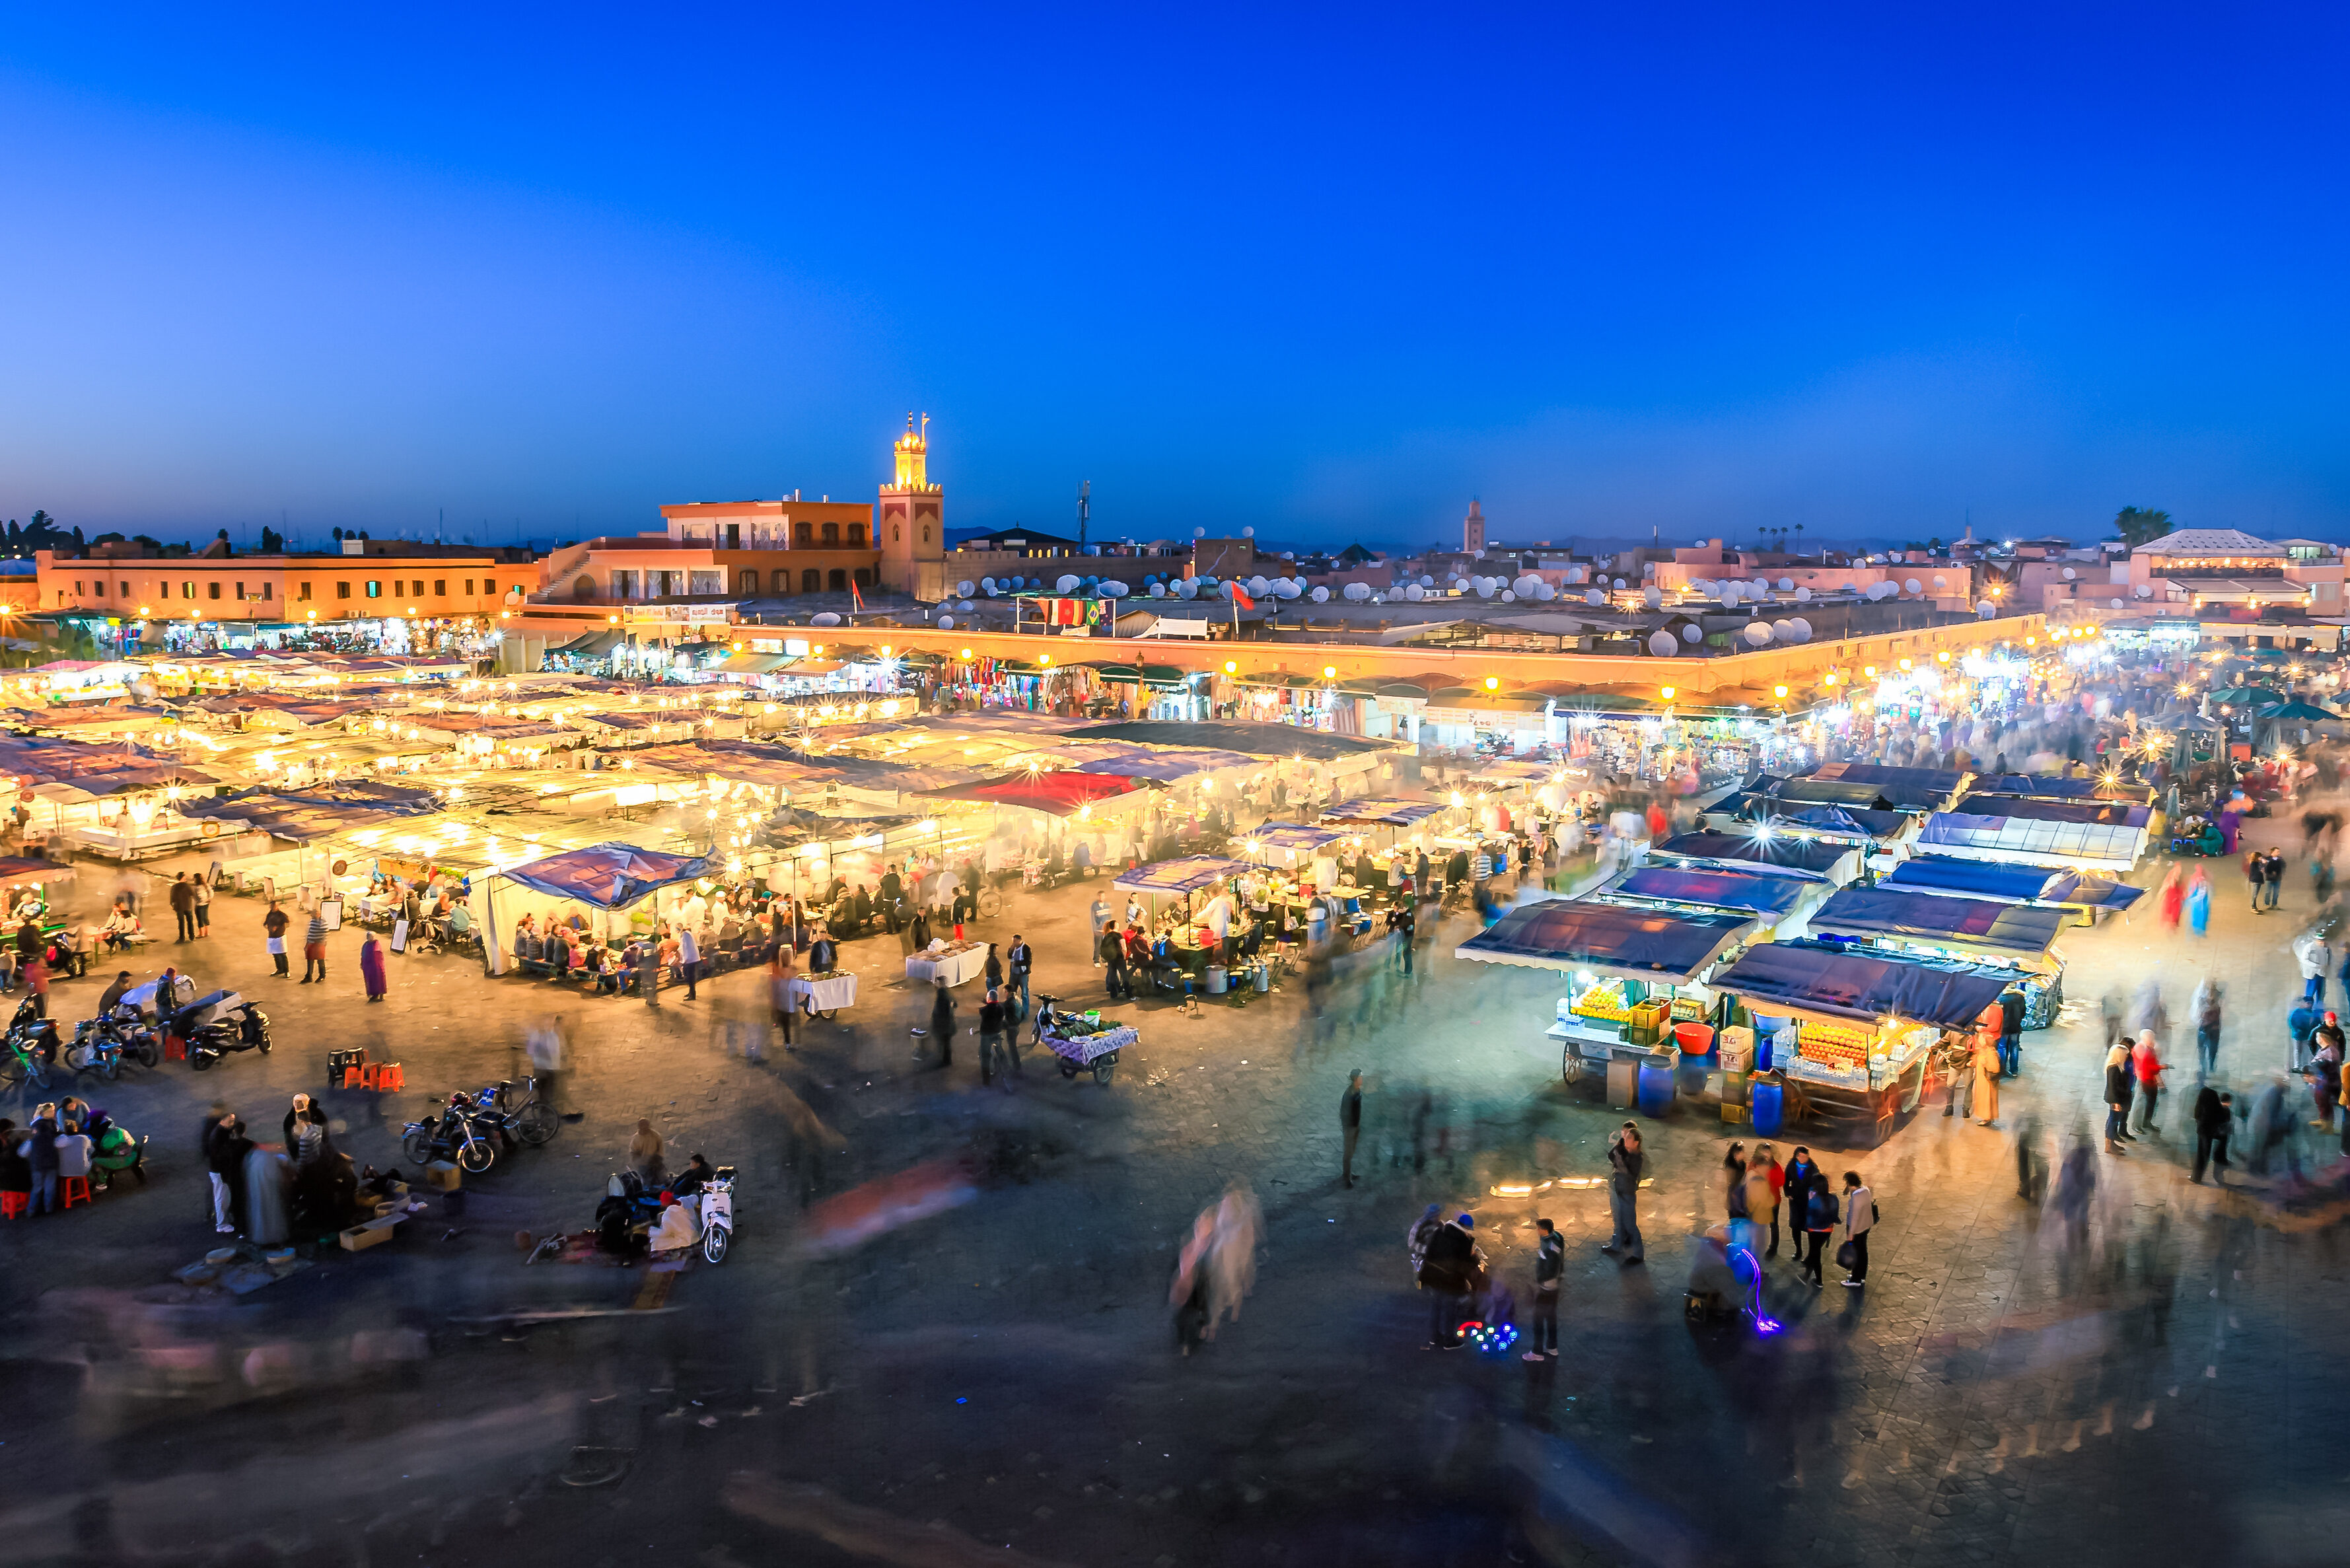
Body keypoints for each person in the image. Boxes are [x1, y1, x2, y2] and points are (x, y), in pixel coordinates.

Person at [1417, 1211, 1479, 1349]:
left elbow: (1430, 1252)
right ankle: (1449, 1341)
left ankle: (1434, 1338)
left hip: (1432, 1276)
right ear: (1467, 1227)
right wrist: (1475, 1259)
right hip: (1449, 1280)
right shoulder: (1463, 1240)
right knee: (1449, 1310)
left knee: (1436, 1308)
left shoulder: (1440, 1232)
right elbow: (1463, 1265)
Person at [1601, 1122, 1644, 1264]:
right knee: (1618, 1221)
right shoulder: (1624, 1150)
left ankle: (1638, 1255)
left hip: (1627, 1195)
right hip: (1618, 1190)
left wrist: (1620, 1160)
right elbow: (1611, 1156)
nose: (1625, 1140)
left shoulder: (1637, 1158)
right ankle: (1617, 1246)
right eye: (1625, 1137)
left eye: (1628, 1138)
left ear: (1636, 1142)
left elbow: (1631, 1175)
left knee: (1630, 1225)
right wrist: (1619, 1145)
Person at [1522, 1217, 1563, 1361]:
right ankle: (1552, 1348)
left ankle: (1537, 1352)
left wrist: (1539, 1280)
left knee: (1538, 1319)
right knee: (1551, 1317)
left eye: (1538, 1228)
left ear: (1543, 1230)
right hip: (1553, 1287)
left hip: (1547, 1288)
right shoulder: (1556, 1237)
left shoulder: (1551, 1247)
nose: (1537, 1231)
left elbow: (1551, 1269)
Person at [1798, 1166, 1839, 1287]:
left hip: (1815, 1230)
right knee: (1815, 1251)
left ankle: (1819, 1280)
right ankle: (1807, 1267)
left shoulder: (1814, 1200)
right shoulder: (1834, 1199)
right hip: (1827, 1230)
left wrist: (1810, 1199)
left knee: (1816, 1255)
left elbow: (1809, 1215)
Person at [1746, 1143, 1785, 1258]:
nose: (1766, 1154)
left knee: (1773, 1224)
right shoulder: (1754, 1165)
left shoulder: (1776, 1166)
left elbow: (1781, 1181)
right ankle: (1753, 1246)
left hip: (1773, 1201)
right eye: (1764, 1152)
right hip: (1758, 1201)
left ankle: (1773, 1247)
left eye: (1768, 1152)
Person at [1839, 1170, 1874, 1286]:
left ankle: (1855, 1279)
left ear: (1849, 1183)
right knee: (1863, 1252)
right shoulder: (1865, 1190)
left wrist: (1851, 1233)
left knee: (1857, 1253)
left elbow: (1855, 1217)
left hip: (1857, 1229)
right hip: (1866, 1225)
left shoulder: (1856, 1196)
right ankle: (1861, 1275)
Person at [2192, 1085, 2232, 1184]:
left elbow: (2197, 1117)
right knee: (2205, 1154)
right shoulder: (2217, 1110)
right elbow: (2224, 1118)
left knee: (2201, 1154)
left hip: (2202, 1131)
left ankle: (2197, 1177)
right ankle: (2220, 1159)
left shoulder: (2200, 1108)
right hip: (2211, 1132)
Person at [2131, 1028, 2166, 1136]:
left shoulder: (2150, 1049)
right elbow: (2146, 1067)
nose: (2153, 1040)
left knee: (2151, 1103)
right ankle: (2137, 1124)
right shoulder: (2140, 1049)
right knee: (2140, 1103)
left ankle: (2147, 1122)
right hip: (2143, 1080)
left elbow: (2153, 1065)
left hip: (2151, 1081)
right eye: (2151, 1038)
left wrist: (2159, 1081)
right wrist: (2161, 1067)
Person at [2104, 1043, 2135, 1155]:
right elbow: (2114, 1087)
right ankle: (2109, 1145)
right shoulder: (2114, 1069)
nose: (2127, 1056)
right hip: (2116, 1100)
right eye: (2125, 1054)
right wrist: (2116, 1102)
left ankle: (2111, 1143)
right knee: (2113, 1121)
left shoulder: (2117, 1066)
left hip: (2119, 1098)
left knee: (2114, 1120)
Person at [917, 977, 955, 1067]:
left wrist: (937, 1020)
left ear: (941, 984)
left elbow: (940, 1011)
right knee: (946, 1043)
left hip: (943, 1024)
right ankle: (947, 1060)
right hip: (947, 1024)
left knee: (943, 1043)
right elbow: (954, 1004)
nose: (935, 984)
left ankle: (945, 1061)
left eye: (937, 983)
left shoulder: (942, 995)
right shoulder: (947, 993)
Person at [2193, 976, 2224, 1080]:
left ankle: (2207, 1068)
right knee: (2210, 1051)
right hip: (2210, 1030)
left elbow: (2198, 1016)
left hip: (2207, 1030)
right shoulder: (2211, 1002)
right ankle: (2208, 1068)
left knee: (2208, 1050)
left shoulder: (2205, 1002)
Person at [1339, 1069, 1363, 1188]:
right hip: (1350, 1127)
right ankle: (1347, 1177)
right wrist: (1348, 1127)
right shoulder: (1349, 1094)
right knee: (1348, 1152)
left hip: (1356, 1125)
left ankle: (1348, 1173)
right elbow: (1344, 1112)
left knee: (1352, 1151)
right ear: (1355, 1079)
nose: (1362, 1079)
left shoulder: (1358, 1091)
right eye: (1360, 1077)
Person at [1996, 983, 2026, 1079]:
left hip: (2004, 1028)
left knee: (2002, 1048)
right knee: (2014, 1048)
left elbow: (1999, 1014)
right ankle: (2014, 1071)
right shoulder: (2021, 998)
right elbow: (2023, 1013)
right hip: (2016, 1027)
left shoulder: (2002, 999)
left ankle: (2002, 1070)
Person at [1100, 922, 1133, 1000]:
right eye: (1117, 924)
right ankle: (1129, 995)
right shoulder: (1119, 935)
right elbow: (1124, 948)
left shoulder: (1107, 935)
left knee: (1112, 976)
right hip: (1119, 958)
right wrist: (1124, 957)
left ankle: (1113, 995)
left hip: (1111, 959)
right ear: (1115, 926)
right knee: (1125, 977)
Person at [627, 1119, 666, 1185]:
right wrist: (641, 1161)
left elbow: (660, 1150)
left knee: (660, 1180)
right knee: (647, 1182)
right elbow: (633, 1154)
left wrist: (657, 1158)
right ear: (639, 1127)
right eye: (642, 1127)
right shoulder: (636, 1139)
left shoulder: (656, 1136)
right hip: (643, 1165)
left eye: (646, 1126)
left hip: (655, 1162)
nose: (644, 1128)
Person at [301, 906, 328, 984]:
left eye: (312, 914)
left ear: (317, 914)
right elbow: (310, 933)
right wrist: (307, 944)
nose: (311, 916)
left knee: (320, 961)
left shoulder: (322, 922)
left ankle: (322, 975)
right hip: (311, 943)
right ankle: (309, 976)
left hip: (319, 944)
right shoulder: (312, 921)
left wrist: (320, 942)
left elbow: (325, 933)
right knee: (310, 960)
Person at [263, 900, 290, 978]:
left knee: (282, 955)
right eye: (271, 906)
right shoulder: (270, 914)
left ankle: (286, 971)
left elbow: (288, 923)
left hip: (280, 937)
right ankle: (279, 969)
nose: (272, 908)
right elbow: (265, 923)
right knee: (275, 954)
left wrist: (278, 928)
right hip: (272, 937)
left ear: (277, 907)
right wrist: (268, 927)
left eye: (274, 906)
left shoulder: (281, 915)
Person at [1007, 934, 1032, 1012]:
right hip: (1013, 973)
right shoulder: (1014, 948)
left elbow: (1028, 961)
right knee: (1012, 992)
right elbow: (1009, 957)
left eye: (1015, 941)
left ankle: (1025, 1010)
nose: (1014, 943)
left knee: (1024, 992)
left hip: (1023, 974)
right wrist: (1010, 949)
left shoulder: (1026, 948)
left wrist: (1018, 963)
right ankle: (1012, 1009)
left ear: (1019, 940)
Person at [169, 872, 197, 944]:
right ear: (183, 877)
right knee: (190, 922)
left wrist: (173, 905)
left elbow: (173, 898)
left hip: (179, 907)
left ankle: (182, 938)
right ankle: (192, 936)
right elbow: (193, 894)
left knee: (181, 923)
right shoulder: (187, 886)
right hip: (188, 906)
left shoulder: (175, 887)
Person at [359, 932, 388, 1003]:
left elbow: (378, 952)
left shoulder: (376, 943)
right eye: (370, 937)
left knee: (379, 979)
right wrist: (362, 963)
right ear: (367, 938)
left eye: (373, 937)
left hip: (376, 965)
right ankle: (373, 994)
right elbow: (363, 954)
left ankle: (381, 995)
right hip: (369, 966)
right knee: (371, 979)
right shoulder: (366, 945)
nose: (372, 938)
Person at [676, 922, 700, 1001]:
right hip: (693, 958)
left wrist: (684, 960)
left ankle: (692, 995)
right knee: (691, 977)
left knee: (690, 978)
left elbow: (685, 948)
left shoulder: (684, 935)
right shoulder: (688, 934)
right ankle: (691, 992)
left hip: (690, 959)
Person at [192, 871, 212, 938]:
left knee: (200, 919)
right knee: (205, 918)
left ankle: (201, 934)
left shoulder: (195, 887)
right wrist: (209, 898)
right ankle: (207, 932)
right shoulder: (206, 885)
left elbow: (194, 896)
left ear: (196, 879)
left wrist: (197, 901)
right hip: (206, 903)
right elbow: (211, 892)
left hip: (199, 905)